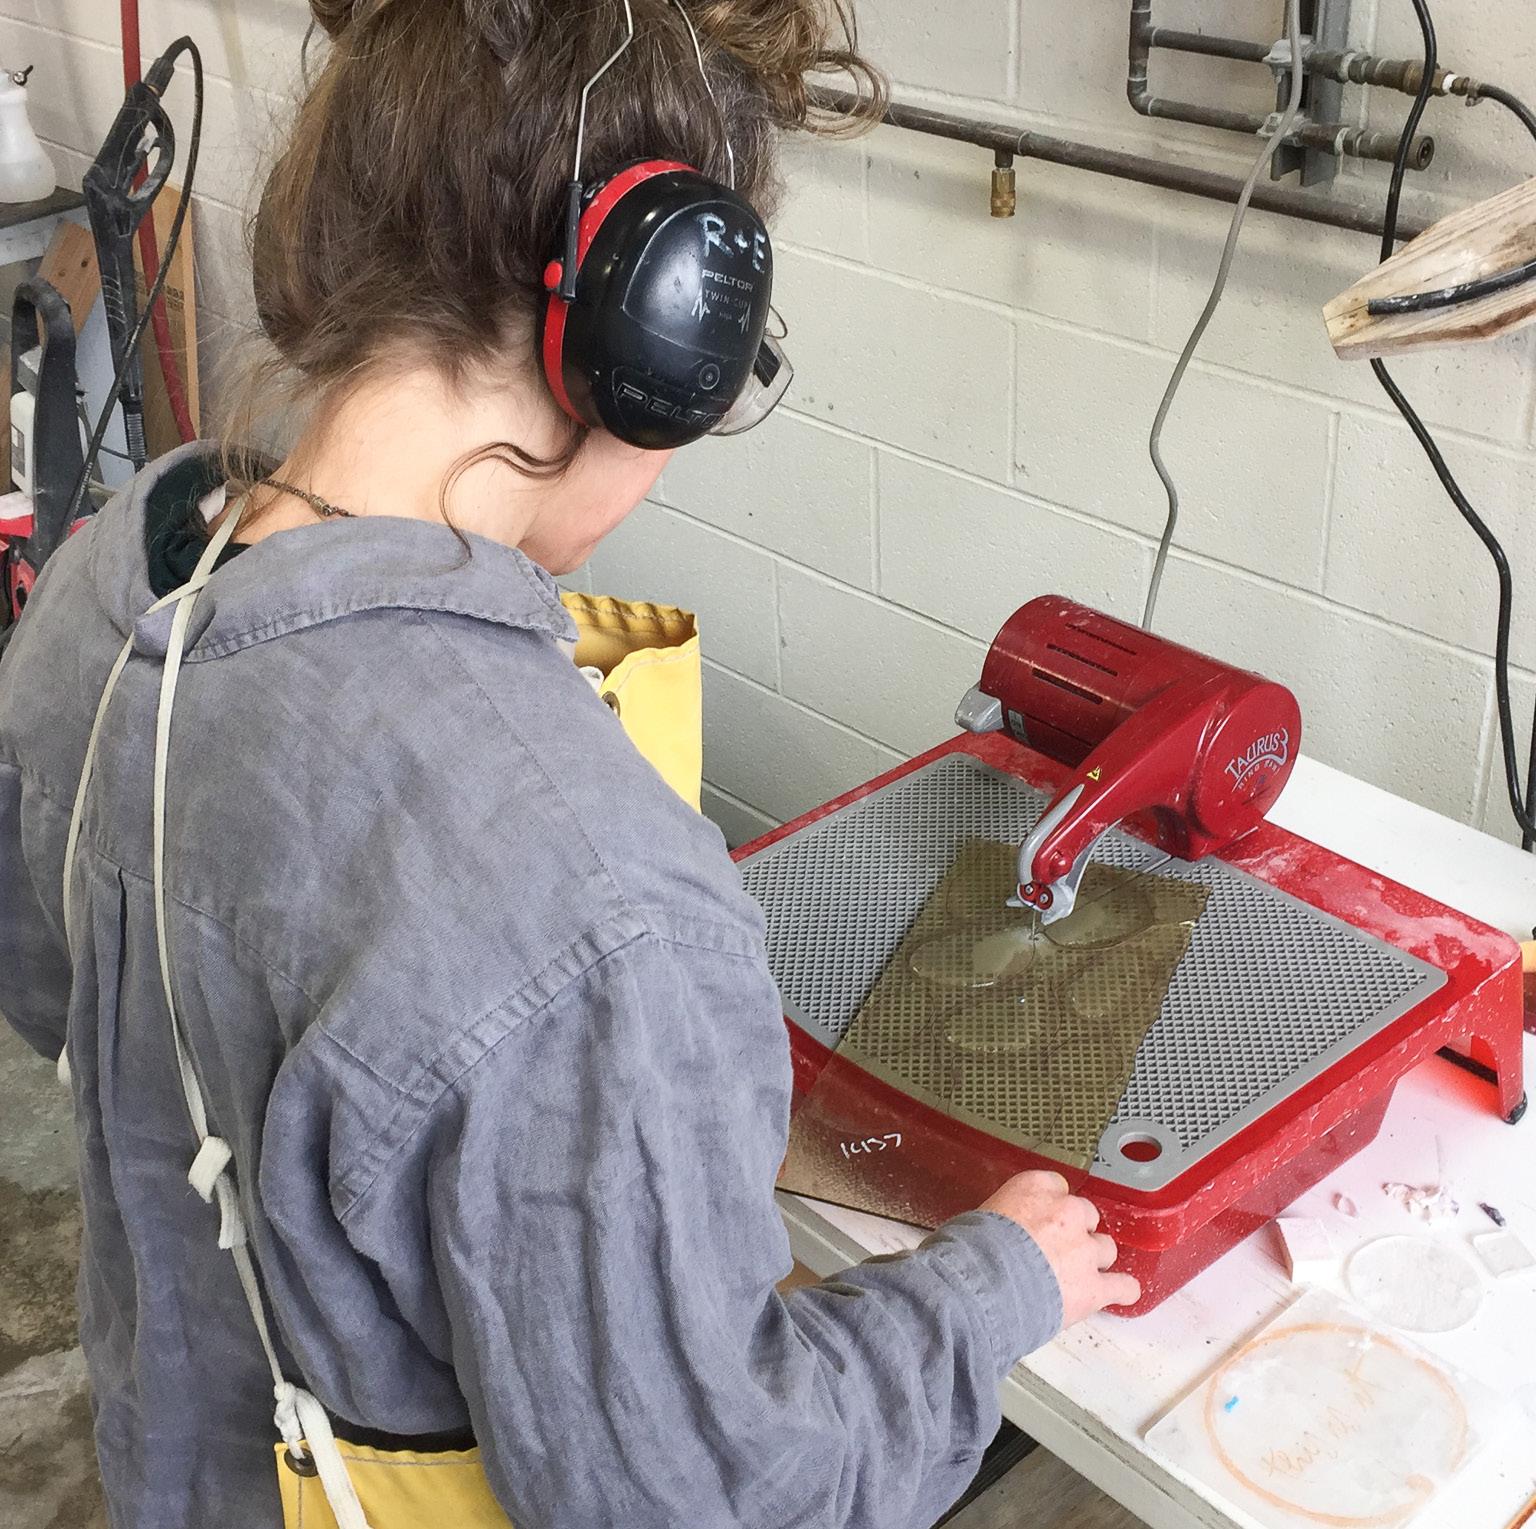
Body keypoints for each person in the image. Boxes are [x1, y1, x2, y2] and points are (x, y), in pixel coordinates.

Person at [0, 2, 1138, 1526]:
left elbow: (59, 994)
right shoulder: (590, 908)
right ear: (654, 347)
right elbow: (704, 1496)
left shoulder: (116, 574)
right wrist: (990, 1288)